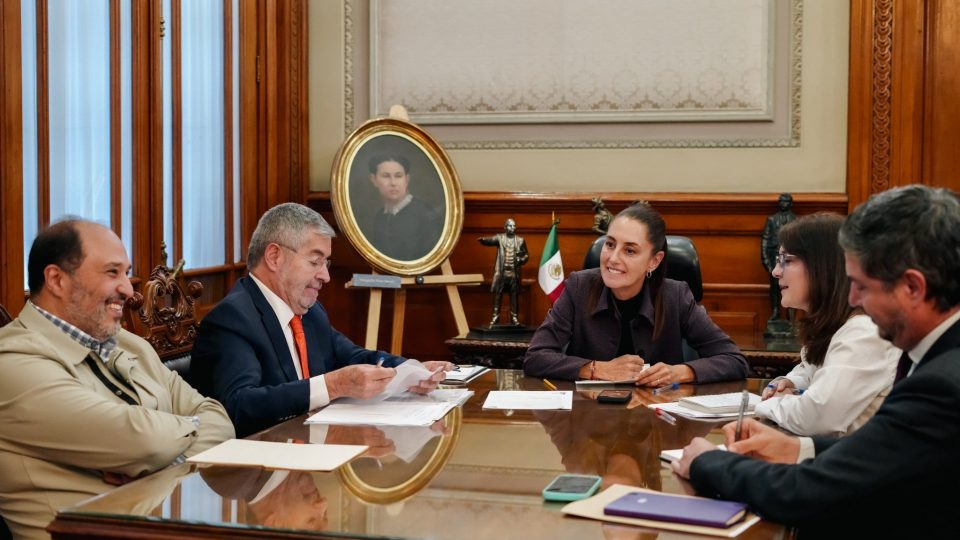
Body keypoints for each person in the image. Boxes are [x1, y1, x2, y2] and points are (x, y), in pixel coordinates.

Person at [671, 185, 960, 537]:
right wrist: (798, 447)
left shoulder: (942, 386)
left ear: (913, 287)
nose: (852, 299)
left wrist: (708, 462)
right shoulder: (937, 357)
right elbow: (885, 453)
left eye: (862, 287)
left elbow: (808, 492)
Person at [0, 219, 234, 540]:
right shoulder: (12, 362)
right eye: (112, 272)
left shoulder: (130, 344)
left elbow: (220, 421)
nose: (128, 288)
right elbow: (145, 441)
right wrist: (187, 432)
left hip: (172, 524)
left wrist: (166, 461)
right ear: (56, 280)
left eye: (126, 272)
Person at [191, 203, 451, 438]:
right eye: (315, 261)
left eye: (326, 263)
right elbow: (238, 406)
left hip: (309, 449)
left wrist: (410, 371)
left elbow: (353, 357)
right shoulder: (232, 319)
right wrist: (332, 385)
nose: (325, 276)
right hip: (258, 466)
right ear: (274, 257)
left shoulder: (311, 312)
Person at [524, 202, 748, 384]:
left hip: (657, 418)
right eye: (610, 245)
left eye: (629, 250)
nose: (613, 258)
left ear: (654, 261)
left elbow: (733, 360)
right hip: (589, 417)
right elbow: (536, 357)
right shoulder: (578, 287)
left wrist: (679, 372)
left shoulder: (676, 296)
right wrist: (597, 369)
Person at [755, 213, 901, 435]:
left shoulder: (864, 333)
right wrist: (790, 383)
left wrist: (770, 404)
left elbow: (816, 417)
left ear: (822, 266)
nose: (775, 271)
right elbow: (811, 369)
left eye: (787, 260)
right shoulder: (834, 325)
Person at [365, 154, 443, 261]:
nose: (393, 183)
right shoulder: (380, 217)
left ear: (406, 179)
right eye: (386, 176)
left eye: (398, 176)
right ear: (374, 180)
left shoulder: (426, 215)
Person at [478, 218, 530, 326]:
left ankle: (514, 318)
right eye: (510, 226)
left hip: (514, 274)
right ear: (505, 227)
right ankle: (495, 317)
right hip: (502, 273)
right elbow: (491, 240)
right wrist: (483, 240)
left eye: (514, 226)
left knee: (514, 296)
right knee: (498, 295)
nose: (513, 228)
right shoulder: (500, 238)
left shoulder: (520, 240)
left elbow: (526, 255)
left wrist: (521, 260)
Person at [760, 193, 797, 325]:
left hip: (790, 257)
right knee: (775, 286)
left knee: (792, 284)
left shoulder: (796, 220)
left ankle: (790, 312)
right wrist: (765, 258)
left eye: (786, 201)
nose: (783, 204)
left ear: (791, 204)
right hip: (776, 256)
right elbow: (765, 239)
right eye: (781, 201)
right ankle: (775, 311)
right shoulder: (771, 220)